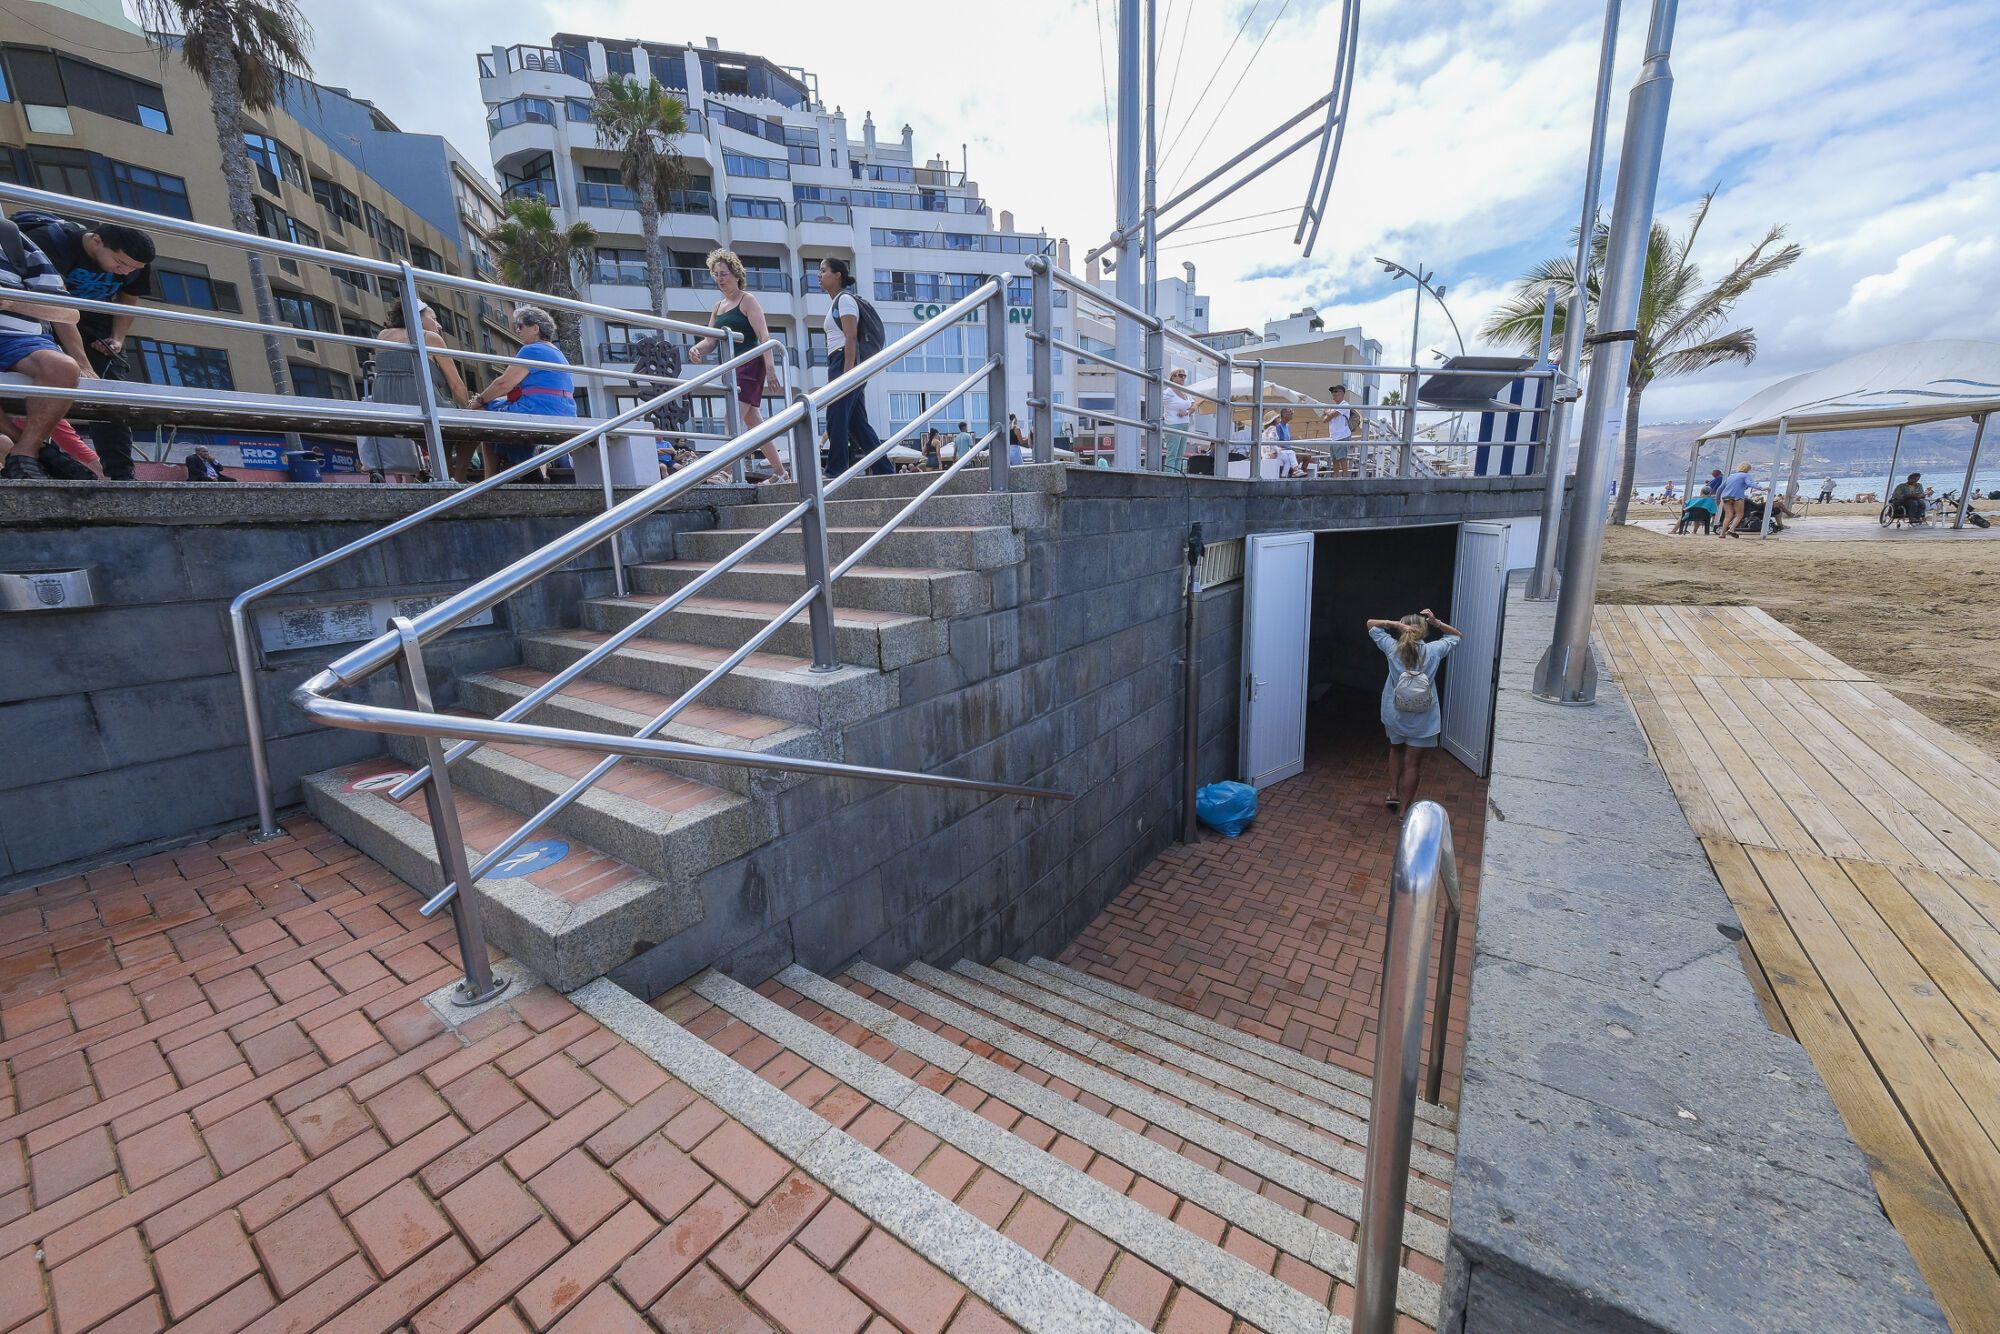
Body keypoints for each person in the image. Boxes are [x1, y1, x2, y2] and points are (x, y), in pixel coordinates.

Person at [13, 214, 154, 480]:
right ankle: (33, 456)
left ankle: (121, 474)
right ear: (97, 241)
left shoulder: (135, 263)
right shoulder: (52, 243)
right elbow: (58, 308)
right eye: (120, 264)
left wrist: (117, 338)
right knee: (58, 377)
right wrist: (82, 363)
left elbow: (128, 299)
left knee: (111, 396)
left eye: (131, 269)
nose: (124, 272)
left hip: (95, 322)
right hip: (47, 316)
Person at [691, 248, 786, 482]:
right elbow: (711, 340)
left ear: (736, 274)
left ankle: (726, 471)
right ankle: (781, 472)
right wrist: (697, 348)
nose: (719, 279)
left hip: (750, 364)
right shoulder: (718, 306)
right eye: (715, 274)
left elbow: (764, 336)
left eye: (723, 273)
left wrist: (771, 369)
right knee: (752, 420)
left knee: (731, 419)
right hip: (731, 369)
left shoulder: (747, 300)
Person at [0, 217, 84, 480]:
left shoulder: (10, 237)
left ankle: (25, 452)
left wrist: (12, 302)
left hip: (18, 337)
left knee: (63, 367)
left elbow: (67, 313)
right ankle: (37, 451)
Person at [363, 299, 472, 482]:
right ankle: (458, 480)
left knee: (440, 438)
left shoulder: (382, 335)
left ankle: (444, 480)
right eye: (434, 318)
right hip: (421, 405)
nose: (438, 325)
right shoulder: (430, 338)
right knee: (473, 430)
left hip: (388, 407)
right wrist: (470, 410)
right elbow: (456, 385)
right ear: (418, 317)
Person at [1365, 608, 1461, 813]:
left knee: (1396, 749)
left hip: (1395, 714)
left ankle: (1393, 792)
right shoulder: (1434, 650)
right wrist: (1436, 622)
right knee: (1413, 764)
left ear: (1402, 631)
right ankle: (1403, 812)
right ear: (1424, 631)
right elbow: (1456, 635)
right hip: (1423, 719)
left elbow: (1371, 624)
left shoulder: (1392, 648)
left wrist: (1393, 624)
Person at [470, 306, 575, 476]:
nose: (517, 330)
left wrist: (479, 400)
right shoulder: (558, 354)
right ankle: (526, 470)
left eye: (520, 326)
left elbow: (503, 384)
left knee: (483, 413)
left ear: (535, 328)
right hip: (565, 412)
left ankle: (490, 481)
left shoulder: (532, 350)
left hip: (541, 411)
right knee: (498, 406)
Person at [814, 256, 887, 479]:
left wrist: (847, 375)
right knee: (857, 425)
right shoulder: (837, 302)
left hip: (845, 362)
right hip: (841, 362)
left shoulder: (844, 300)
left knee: (835, 416)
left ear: (838, 275)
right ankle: (884, 470)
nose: (819, 274)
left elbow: (851, 338)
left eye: (824, 270)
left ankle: (836, 470)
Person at [1162, 368, 1193, 473]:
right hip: (1172, 424)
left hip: (1184, 424)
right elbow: (1157, 400)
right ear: (1173, 377)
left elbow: (1194, 405)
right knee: (1172, 453)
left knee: (1180, 454)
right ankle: (1169, 475)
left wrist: (1187, 412)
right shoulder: (1168, 392)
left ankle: (1176, 475)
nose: (1183, 378)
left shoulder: (1186, 392)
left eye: (1184, 376)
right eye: (1180, 375)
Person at [1716, 462, 1755, 536]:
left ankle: (1722, 533)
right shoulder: (1746, 475)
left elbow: (1720, 488)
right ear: (1748, 469)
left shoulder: (1731, 476)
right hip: (1737, 497)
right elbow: (1750, 484)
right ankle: (1731, 529)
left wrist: (1717, 499)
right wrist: (1761, 488)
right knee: (1739, 515)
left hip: (1726, 497)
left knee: (1728, 516)